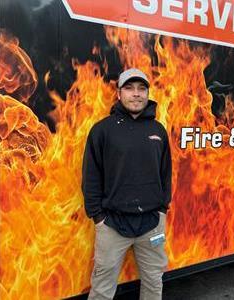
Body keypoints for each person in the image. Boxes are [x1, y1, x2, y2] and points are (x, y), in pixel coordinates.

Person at [82, 68, 172, 300]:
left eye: (142, 89)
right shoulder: (102, 130)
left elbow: (166, 174)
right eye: (129, 88)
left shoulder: (158, 130)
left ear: (148, 94)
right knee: (102, 287)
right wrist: (98, 217)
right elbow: (91, 177)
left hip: (152, 223)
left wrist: (162, 209)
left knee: (154, 282)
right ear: (119, 93)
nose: (136, 94)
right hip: (112, 224)